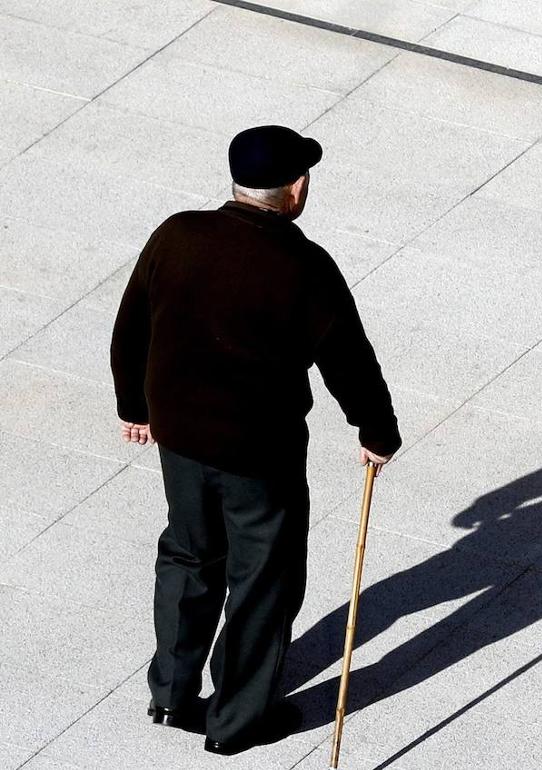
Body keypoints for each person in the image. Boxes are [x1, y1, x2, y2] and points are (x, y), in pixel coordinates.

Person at [109, 125, 402, 755]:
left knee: (188, 555)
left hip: (180, 440)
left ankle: (171, 693)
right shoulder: (305, 266)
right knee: (262, 579)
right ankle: (238, 721)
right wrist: (377, 431)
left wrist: (133, 405)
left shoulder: (177, 234)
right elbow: (349, 361)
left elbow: (131, 325)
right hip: (257, 455)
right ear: (295, 188)